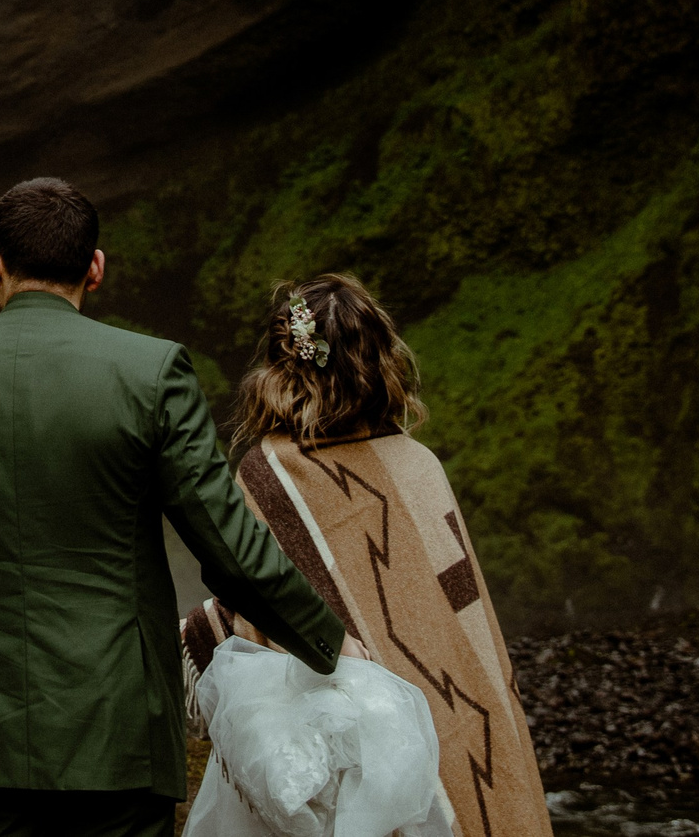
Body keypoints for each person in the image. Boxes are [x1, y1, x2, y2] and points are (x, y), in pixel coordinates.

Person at [0, 178, 352, 837]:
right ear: (95, 268)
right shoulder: (152, 372)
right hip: (115, 729)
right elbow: (229, 548)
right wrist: (331, 642)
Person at [179, 275, 550, 837]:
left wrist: (194, 634)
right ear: (380, 359)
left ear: (284, 366)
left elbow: (258, 604)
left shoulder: (268, 469)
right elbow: (466, 642)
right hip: (447, 736)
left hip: (339, 753)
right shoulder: (419, 463)